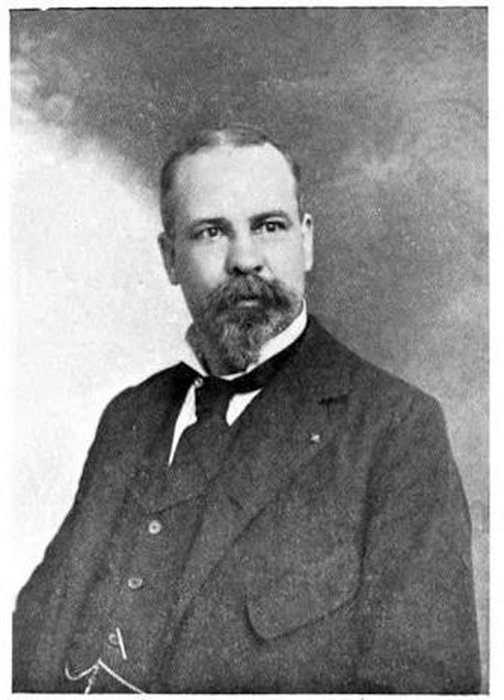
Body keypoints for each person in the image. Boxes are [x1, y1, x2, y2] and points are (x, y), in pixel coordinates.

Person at [13, 125, 481, 693]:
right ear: (169, 258)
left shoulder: (396, 429)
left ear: (306, 240)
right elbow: (37, 633)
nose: (245, 259)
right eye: (211, 232)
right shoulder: (129, 416)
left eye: (269, 226)